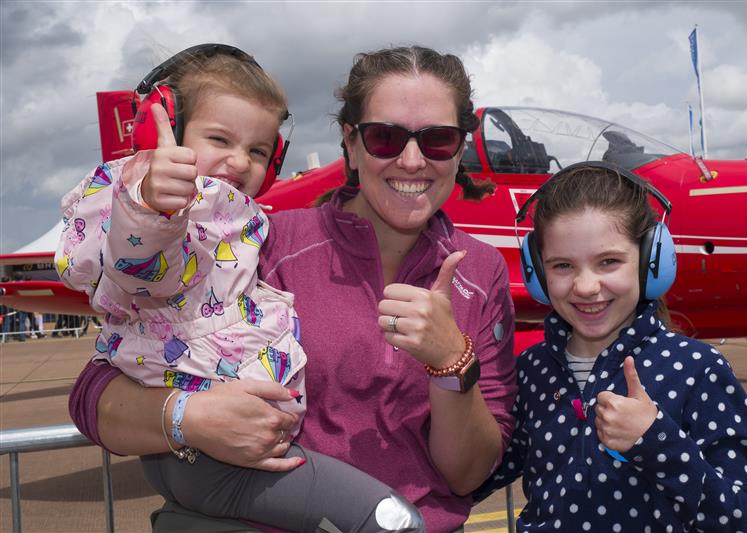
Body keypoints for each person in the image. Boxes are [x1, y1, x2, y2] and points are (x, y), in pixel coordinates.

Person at [68, 44, 517, 532]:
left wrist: (452, 361)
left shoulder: (481, 269)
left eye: (438, 140)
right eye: (385, 137)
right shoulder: (263, 241)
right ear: (350, 141)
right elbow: (93, 396)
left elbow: (468, 473)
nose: (412, 161)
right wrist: (188, 417)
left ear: (460, 147)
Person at [475, 162, 747, 531]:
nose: (586, 286)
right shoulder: (533, 369)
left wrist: (658, 442)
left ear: (650, 263)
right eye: (562, 266)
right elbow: (473, 477)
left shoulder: (697, 369)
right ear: (537, 273)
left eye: (609, 262)